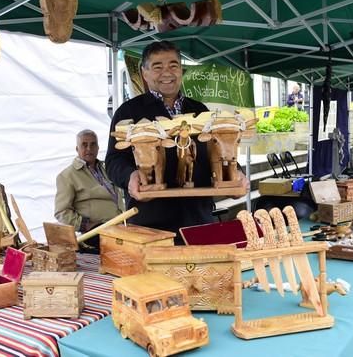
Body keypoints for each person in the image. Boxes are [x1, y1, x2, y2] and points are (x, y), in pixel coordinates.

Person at [105, 41, 249, 242]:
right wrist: (130, 176)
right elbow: (113, 161)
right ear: (144, 73)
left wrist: (237, 174)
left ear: (181, 71)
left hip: (198, 220)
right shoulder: (129, 112)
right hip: (151, 225)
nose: (167, 73)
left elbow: (217, 149)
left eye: (173, 65)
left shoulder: (200, 110)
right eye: (157, 67)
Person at [55, 129, 121, 245]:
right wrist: (85, 225)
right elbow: (61, 212)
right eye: (84, 145)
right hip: (95, 235)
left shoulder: (108, 168)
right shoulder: (67, 176)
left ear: (98, 147)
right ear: (77, 149)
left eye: (93, 144)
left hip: (122, 228)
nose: (89, 149)